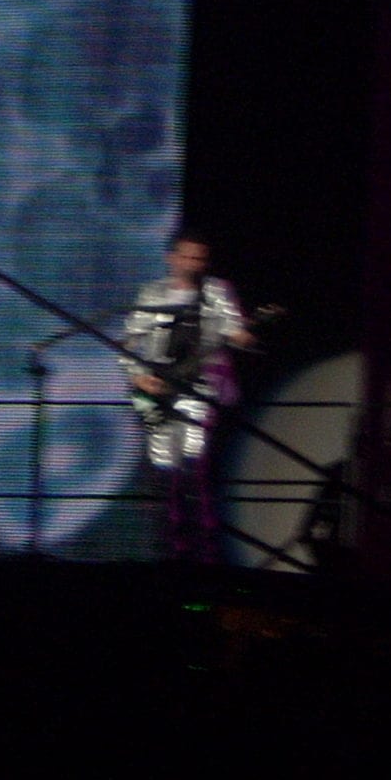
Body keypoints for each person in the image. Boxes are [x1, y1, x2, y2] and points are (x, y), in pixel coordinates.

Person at [119, 229, 253, 562]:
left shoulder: (216, 292)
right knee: (164, 467)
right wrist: (139, 376)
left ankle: (203, 546)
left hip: (198, 386)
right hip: (158, 388)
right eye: (187, 256)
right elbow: (129, 341)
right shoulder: (152, 293)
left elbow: (234, 330)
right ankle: (167, 543)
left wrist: (242, 336)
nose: (192, 263)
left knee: (195, 463)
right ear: (172, 258)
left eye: (199, 258)